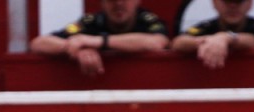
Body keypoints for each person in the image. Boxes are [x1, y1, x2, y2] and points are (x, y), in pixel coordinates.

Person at [28, 0, 169, 77]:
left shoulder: (148, 20)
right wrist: (77, 49)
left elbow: (157, 42)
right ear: (102, 3)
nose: (119, 3)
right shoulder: (91, 21)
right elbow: (38, 43)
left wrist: (98, 42)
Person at [171, 0, 254, 70]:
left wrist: (227, 38)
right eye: (226, 1)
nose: (233, 6)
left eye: (238, 1)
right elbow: (178, 42)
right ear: (214, 3)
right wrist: (209, 41)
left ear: (250, 3)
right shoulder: (207, 26)